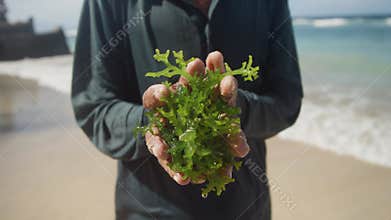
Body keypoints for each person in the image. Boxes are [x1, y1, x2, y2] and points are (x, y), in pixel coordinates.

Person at [71, 0, 303, 219]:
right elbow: (94, 107)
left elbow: (287, 101)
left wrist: (237, 108)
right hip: (149, 210)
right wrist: (152, 123)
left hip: (248, 209)